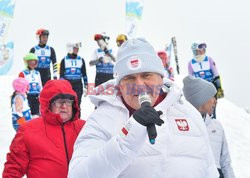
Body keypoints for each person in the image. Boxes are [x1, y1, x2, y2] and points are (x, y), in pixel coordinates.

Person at [68, 38, 219, 178]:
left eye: (147, 75)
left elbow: (210, 170)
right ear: (119, 84)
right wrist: (129, 136)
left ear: (161, 78)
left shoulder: (188, 113)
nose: (139, 85)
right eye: (130, 78)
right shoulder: (102, 119)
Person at [3, 80, 85, 178]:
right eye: (59, 102)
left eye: (68, 102)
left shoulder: (85, 128)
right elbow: (13, 169)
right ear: (48, 104)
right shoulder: (28, 130)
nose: (64, 106)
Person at [183, 75, 235, 178]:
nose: (216, 101)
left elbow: (226, 162)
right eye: (213, 97)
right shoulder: (184, 125)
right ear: (202, 98)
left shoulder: (217, 126)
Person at [188, 42, 224, 118]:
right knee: (200, 110)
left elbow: (216, 74)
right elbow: (190, 78)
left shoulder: (209, 60)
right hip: (199, 89)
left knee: (211, 109)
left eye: (204, 50)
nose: (203, 51)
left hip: (210, 87)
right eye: (200, 50)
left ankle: (212, 122)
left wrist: (219, 88)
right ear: (195, 51)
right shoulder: (191, 63)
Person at [60, 42, 88, 108]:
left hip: (78, 84)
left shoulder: (81, 60)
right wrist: (62, 86)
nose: (77, 49)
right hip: (68, 84)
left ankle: (77, 118)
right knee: (67, 104)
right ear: (70, 48)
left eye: (78, 48)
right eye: (75, 48)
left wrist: (86, 85)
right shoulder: (64, 60)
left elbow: (84, 73)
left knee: (77, 104)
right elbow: (61, 75)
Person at [19, 53, 42, 117]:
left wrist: (41, 94)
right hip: (27, 96)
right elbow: (20, 86)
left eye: (34, 62)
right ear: (26, 63)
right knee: (27, 113)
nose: (32, 64)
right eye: (30, 62)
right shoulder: (23, 73)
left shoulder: (37, 73)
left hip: (36, 97)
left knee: (36, 114)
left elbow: (40, 85)